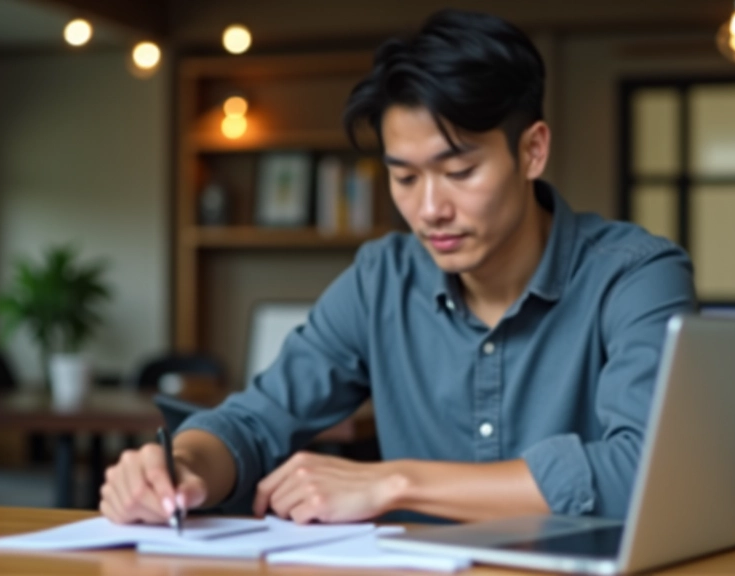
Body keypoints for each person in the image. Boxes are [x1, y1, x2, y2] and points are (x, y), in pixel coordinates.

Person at [100, 9, 695, 526]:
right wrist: (181, 467)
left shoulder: (636, 276)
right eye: (405, 177)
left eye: (459, 172)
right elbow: (256, 421)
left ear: (532, 150)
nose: (430, 209)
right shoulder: (381, 278)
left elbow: (647, 472)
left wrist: (395, 483)